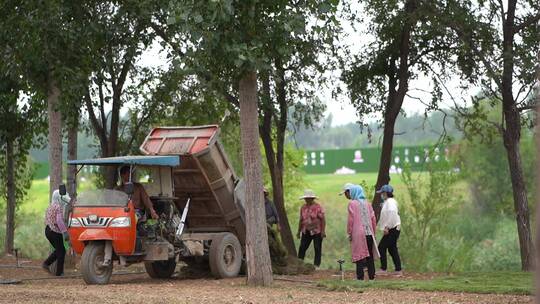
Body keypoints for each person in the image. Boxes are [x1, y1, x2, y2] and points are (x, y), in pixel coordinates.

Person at [343, 184, 378, 281]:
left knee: (359, 255)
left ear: (354, 192)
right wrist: (373, 233)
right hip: (369, 233)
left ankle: (360, 277)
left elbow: (351, 220)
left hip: (358, 233)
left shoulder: (352, 204)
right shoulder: (368, 204)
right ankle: (372, 277)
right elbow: (373, 219)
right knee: (369, 255)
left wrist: (349, 232)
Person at [376, 184, 402, 276]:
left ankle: (384, 269)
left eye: (382, 193)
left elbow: (391, 214)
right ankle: (398, 269)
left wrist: (387, 227)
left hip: (392, 228)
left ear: (386, 193)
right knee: (392, 248)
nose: (381, 195)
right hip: (394, 228)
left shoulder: (390, 202)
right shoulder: (389, 201)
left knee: (381, 247)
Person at [42, 190, 70, 276]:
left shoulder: (50, 206)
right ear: (59, 197)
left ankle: (47, 264)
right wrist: (65, 232)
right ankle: (58, 272)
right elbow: (59, 221)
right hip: (54, 231)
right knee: (61, 251)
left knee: (59, 250)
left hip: (47, 230)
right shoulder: (58, 207)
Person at [297, 189, 326, 267]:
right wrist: (298, 231)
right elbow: (301, 219)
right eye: (305, 198)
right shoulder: (303, 207)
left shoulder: (317, 207)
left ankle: (316, 265)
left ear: (312, 198)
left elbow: (323, 219)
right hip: (306, 230)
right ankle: (299, 263)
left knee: (317, 248)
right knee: (302, 247)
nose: (306, 200)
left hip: (317, 231)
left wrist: (323, 231)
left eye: (308, 198)